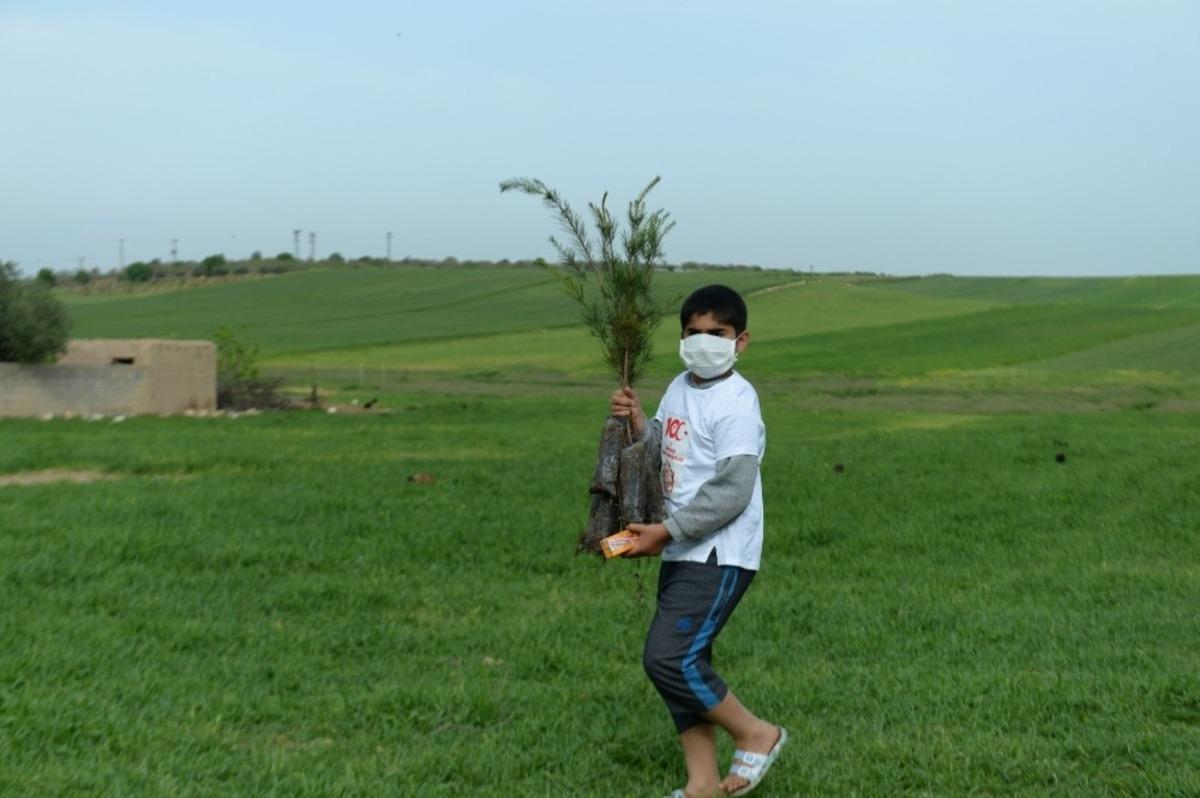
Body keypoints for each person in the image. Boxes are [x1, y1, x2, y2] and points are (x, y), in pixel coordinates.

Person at [610, 284, 787, 798]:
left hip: (718, 553)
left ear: (742, 341)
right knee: (685, 664)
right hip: (683, 547)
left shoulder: (737, 402)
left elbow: (733, 491)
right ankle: (702, 784)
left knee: (668, 659)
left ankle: (757, 733)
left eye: (718, 334)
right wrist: (636, 419)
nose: (704, 342)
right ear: (681, 336)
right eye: (693, 333)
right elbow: (662, 450)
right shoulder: (679, 387)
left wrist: (666, 531)